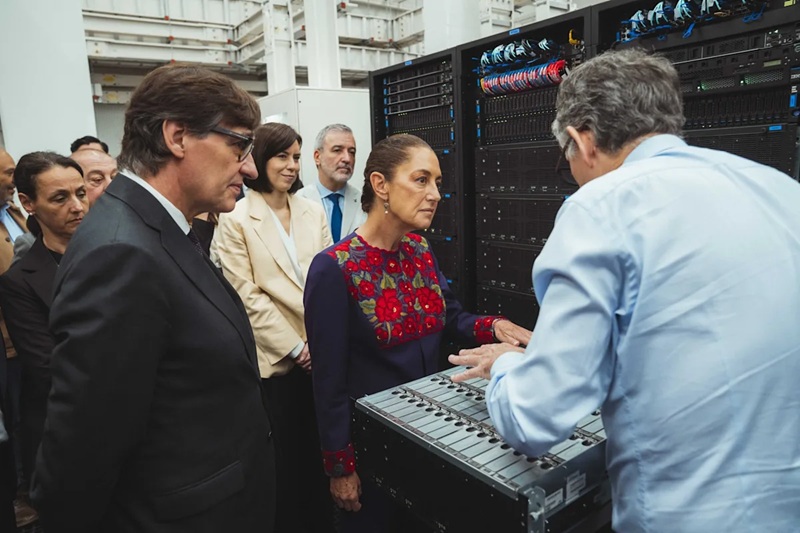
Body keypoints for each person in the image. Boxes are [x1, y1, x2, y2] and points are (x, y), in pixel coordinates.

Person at [449, 49, 800, 533]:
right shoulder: (778, 189)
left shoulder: (601, 207)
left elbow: (533, 420)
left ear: (582, 139)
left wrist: (507, 365)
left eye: (567, 161)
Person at [31, 64, 276, 532]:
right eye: (240, 146)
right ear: (177, 136)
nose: (249, 167)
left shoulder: (159, 228)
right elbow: (84, 447)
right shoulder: (121, 252)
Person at [304, 133, 531, 533]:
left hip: (429, 438)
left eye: (437, 183)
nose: (435, 195)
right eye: (421, 180)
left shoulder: (419, 250)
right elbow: (328, 382)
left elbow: (450, 317)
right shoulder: (334, 267)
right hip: (372, 452)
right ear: (381, 185)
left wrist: (494, 326)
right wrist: (340, 467)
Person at [215, 122, 333, 533]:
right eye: (282, 156)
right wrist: (297, 349)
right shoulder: (236, 218)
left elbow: (328, 281)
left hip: (321, 355)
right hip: (277, 364)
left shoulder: (311, 211)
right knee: (285, 464)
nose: (291, 165)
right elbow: (245, 295)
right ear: (261, 159)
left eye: (296, 157)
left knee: (322, 459)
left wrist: (321, 342)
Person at [0, 152, 88, 500]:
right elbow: (48, 368)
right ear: (28, 203)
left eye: (81, 193)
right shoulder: (19, 282)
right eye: (60, 198)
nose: (77, 206)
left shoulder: (120, 254)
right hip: (69, 431)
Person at [296, 124, 365, 241]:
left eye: (352, 152)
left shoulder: (365, 202)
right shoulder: (298, 201)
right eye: (337, 150)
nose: (347, 159)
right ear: (317, 157)